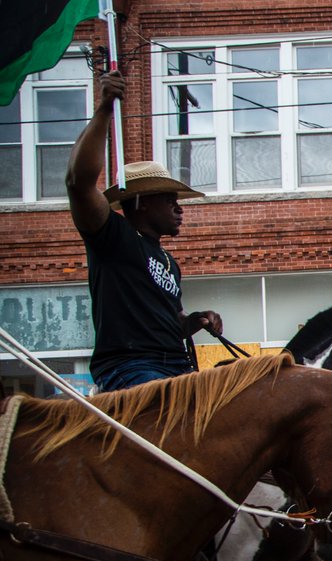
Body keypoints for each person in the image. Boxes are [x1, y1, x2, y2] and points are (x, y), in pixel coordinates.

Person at [65, 70, 223, 393]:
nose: (179, 209)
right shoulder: (112, 236)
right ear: (142, 204)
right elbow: (78, 182)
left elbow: (171, 319)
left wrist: (193, 321)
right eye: (170, 200)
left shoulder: (168, 261)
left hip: (175, 366)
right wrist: (105, 109)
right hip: (130, 368)